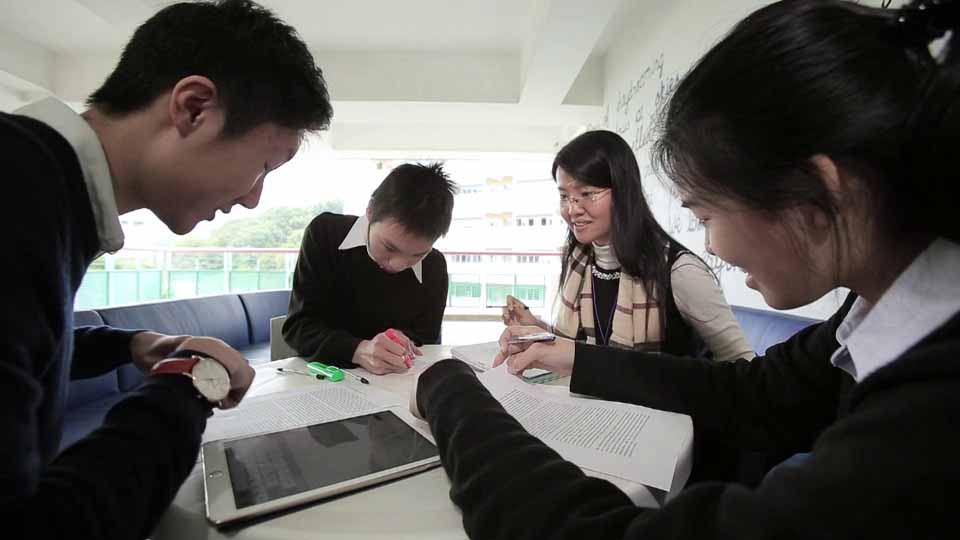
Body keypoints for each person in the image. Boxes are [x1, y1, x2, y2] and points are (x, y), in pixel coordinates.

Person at [410, 0, 960, 538]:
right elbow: (753, 391)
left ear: (817, 195)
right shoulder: (861, 319)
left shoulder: (930, 419)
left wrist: (452, 394)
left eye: (707, 213)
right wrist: (571, 353)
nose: (713, 247)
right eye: (564, 195)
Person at [0, 1, 332, 538]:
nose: (252, 199)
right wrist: (192, 383)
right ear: (193, 107)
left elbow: (24, 340)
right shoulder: (17, 193)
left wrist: (130, 345)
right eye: (263, 166)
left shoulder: (37, 179)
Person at [502, 130, 753, 361]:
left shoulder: (679, 271)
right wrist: (534, 326)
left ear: (622, 191)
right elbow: (580, 349)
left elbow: (741, 362)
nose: (572, 209)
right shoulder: (578, 261)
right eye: (564, 196)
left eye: (587, 194)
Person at [283, 163, 456, 375]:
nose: (398, 265)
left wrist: (404, 343)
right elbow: (298, 328)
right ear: (370, 211)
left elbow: (427, 339)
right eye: (389, 247)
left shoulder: (434, 266)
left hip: (394, 383)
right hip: (325, 377)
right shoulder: (325, 234)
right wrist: (359, 350)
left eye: (418, 255)